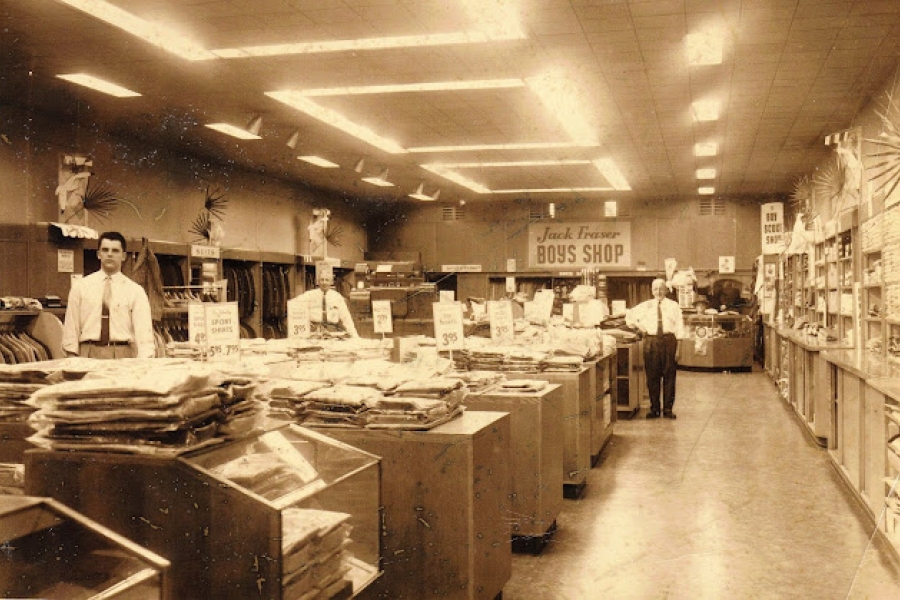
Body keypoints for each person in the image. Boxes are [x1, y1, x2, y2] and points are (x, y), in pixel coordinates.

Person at [62, 231, 155, 359]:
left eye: (115, 251)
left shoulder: (135, 291)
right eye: (105, 250)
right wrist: (71, 357)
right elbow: (71, 327)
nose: (110, 254)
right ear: (98, 254)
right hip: (87, 354)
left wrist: (145, 363)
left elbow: (144, 334)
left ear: (123, 256)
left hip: (123, 355)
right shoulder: (81, 287)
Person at [626, 278, 685, 419]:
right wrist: (641, 328)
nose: (658, 291)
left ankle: (668, 410)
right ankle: (654, 409)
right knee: (652, 376)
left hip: (669, 341)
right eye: (655, 289)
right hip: (651, 342)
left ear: (666, 290)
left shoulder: (674, 306)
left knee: (669, 376)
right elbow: (629, 316)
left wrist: (679, 349)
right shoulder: (645, 306)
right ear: (652, 291)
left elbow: (680, 327)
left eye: (661, 288)